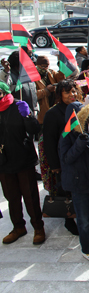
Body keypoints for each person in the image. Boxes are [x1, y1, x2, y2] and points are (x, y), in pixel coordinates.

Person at [59, 103, 89, 262]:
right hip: (78, 183)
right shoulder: (66, 134)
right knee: (84, 219)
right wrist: (80, 142)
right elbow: (66, 158)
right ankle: (87, 248)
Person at [0, 81, 45, 245]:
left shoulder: (18, 105)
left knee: (30, 196)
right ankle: (18, 227)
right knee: (11, 197)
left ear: (4, 92)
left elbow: (34, 130)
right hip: (4, 162)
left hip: (23, 158)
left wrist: (28, 116)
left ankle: (38, 227)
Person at [41, 80, 80, 235]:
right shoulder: (53, 113)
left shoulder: (79, 108)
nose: (72, 95)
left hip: (78, 157)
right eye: (68, 92)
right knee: (65, 191)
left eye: (74, 91)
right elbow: (48, 142)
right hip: (62, 160)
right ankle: (69, 219)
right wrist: (54, 165)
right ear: (59, 94)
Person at [35, 55, 64, 126]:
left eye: (47, 66)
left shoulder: (50, 73)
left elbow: (61, 79)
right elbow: (33, 95)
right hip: (42, 111)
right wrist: (46, 90)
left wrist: (61, 66)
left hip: (53, 107)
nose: (45, 69)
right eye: (43, 66)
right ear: (37, 65)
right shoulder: (33, 77)